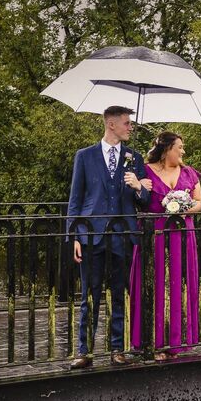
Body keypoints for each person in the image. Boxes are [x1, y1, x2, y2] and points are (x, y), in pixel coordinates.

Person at [67, 105, 150, 369]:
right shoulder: (84, 156)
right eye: (126, 123)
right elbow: (75, 200)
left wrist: (138, 186)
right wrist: (75, 236)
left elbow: (146, 200)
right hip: (91, 235)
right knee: (89, 295)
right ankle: (84, 351)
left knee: (119, 294)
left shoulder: (135, 158)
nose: (130, 127)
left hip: (123, 235)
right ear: (111, 124)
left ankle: (117, 349)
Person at [129, 132, 201, 360]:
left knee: (179, 285)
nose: (183, 151)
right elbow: (139, 201)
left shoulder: (189, 172)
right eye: (179, 147)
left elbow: (199, 202)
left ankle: (177, 340)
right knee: (156, 285)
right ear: (166, 150)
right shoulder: (145, 171)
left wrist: (183, 208)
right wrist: (138, 186)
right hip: (156, 236)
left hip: (183, 236)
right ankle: (154, 342)